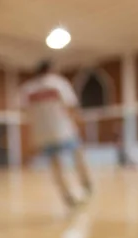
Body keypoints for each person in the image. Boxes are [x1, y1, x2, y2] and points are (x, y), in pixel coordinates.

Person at [19, 60, 92, 207]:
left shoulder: (26, 89)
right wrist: (78, 124)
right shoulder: (58, 83)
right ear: (51, 69)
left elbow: (24, 112)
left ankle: (67, 196)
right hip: (63, 130)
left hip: (42, 134)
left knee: (55, 165)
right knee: (78, 154)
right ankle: (87, 184)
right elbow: (71, 106)